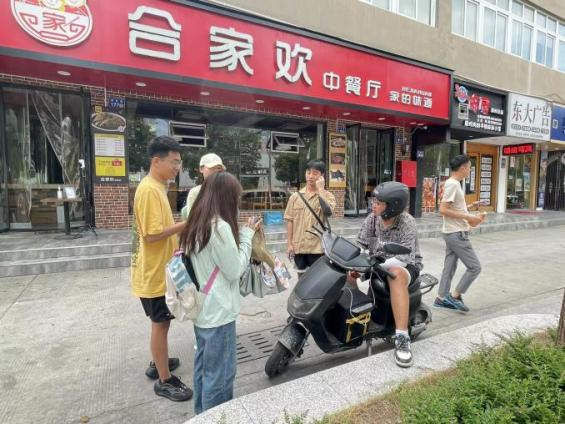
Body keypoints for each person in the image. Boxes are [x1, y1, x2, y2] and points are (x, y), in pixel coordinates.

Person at [179, 171, 261, 414]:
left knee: (203, 368)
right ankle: (218, 417)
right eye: (236, 197)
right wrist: (247, 236)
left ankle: (202, 415)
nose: (237, 203)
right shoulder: (219, 227)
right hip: (219, 312)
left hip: (202, 309)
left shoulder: (196, 221)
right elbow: (235, 270)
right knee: (221, 374)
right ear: (227, 198)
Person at [131, 136, 192, 402]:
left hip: (159, 269)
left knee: (162, 322)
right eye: (174, 162)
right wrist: (188, 223)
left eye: (179, 162)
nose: (178, 167)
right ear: (156, 161)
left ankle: (159, 361)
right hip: (154, 273)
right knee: (161, 324)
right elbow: (152, 234)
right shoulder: (148, 190)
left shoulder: (157, 187)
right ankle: (164, 380)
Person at [357, 181, 423, 368]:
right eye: (374, 201)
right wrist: (356, 264)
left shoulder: (407, 222)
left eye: (379, 203)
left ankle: (402, 337)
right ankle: (354, 320)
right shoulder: (372, 219)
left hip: (406, 265)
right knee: (348, 272)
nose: (374, 205)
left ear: (393, 206)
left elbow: (404, 258)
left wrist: (373, 266)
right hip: (376, 263)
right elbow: (361, 245)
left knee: (395, 275)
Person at [435, 154, 486, 313]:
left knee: (449, 267)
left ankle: (441, 298)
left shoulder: (452, 183)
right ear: (463, 168)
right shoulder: (453, 184)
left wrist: (469, 207)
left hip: (451, 232)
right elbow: (443, 210)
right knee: (475, 267)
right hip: (456, 234)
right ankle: (455, 296)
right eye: (469, 168)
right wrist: (469, 217)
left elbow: (454, 208)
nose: (469, 170)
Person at [284, 160, 336, 275]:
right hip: (299, 247)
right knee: (301, 277)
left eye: (315, 173)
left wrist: (321, 190)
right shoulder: (295, 197)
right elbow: (290, 220)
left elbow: (328, 212)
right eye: (308, 172)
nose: (310, 176)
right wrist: (289, 244)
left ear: (322, 176)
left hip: (317, 248)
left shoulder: (328, 196)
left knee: (316, 279)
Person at [181, 153, 225, 220]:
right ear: (201, 169)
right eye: (211, 168)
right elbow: (192, 220)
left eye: (218, 168)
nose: (216, 171)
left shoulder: (228, 190)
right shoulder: (195, 192)